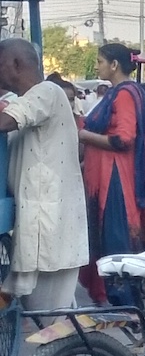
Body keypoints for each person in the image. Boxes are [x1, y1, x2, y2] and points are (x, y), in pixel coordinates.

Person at [0, 40, 90, 310]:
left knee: (51, 329)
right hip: (44, 225)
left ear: (16, 64)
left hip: (51, 229)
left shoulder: (47, 92)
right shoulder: (27, 100)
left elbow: (5, 122)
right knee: (56, 325)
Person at [79, 43, 145, 307]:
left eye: (100, 61)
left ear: (114, 65)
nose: (97, 66)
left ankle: (124, 305)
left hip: (115, 179)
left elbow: (124, 139)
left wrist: (83, 135)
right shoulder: (122, 92)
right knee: (112, 240)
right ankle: (121, 304)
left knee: (115, 242)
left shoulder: (124, 94)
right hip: (110, 174)